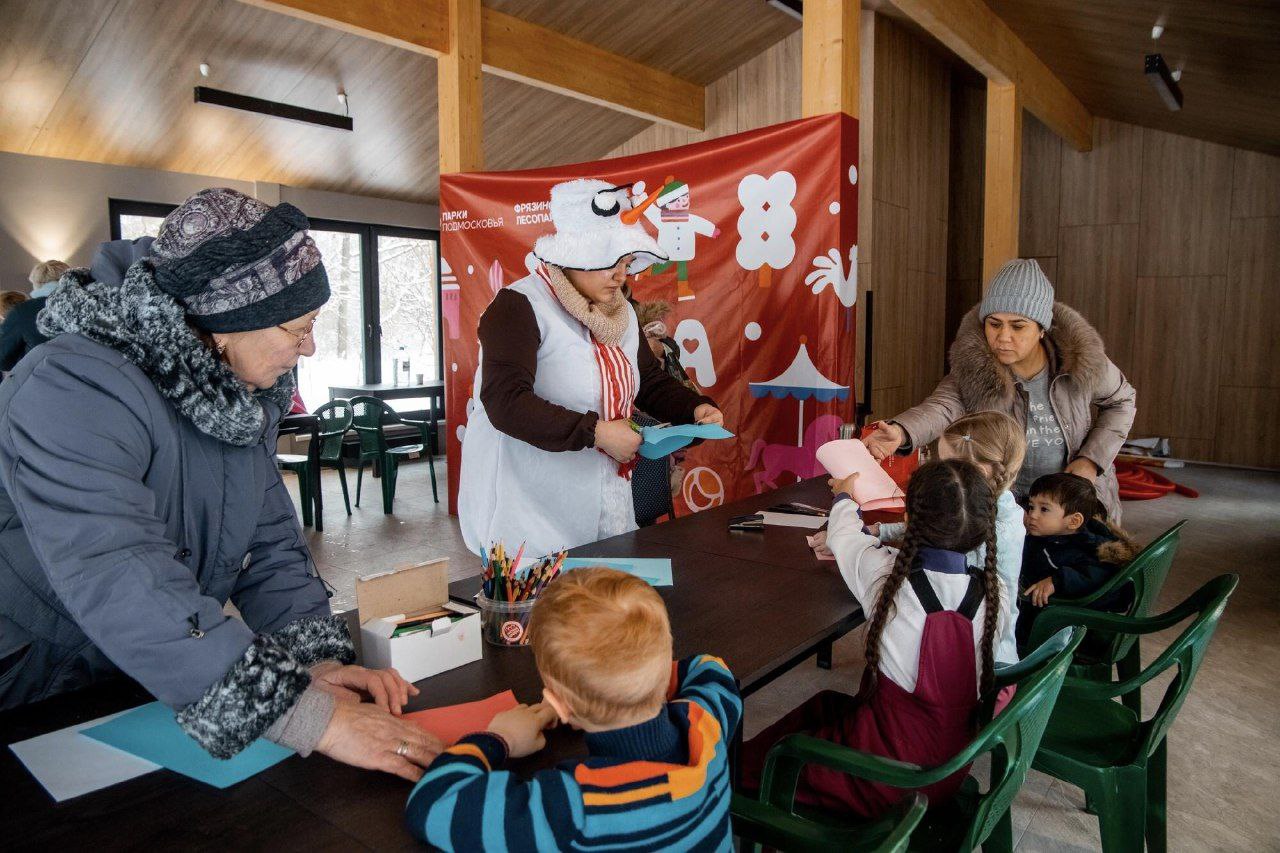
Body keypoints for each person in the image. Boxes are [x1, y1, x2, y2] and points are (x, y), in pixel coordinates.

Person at [0, 188, 441, 778]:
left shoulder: (232, 388)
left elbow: (268, 537)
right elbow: (117, 569)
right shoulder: (73, 385)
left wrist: (311, 660)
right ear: (226, 324)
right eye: (298, 328)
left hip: (161, 657)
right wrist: (312, 720)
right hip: (35, 672)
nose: (310, 347)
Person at [459, 179, 724, 560]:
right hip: (530, 508)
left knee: (603, 588)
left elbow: (647, 380)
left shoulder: (621, 312)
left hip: (605, 498)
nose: (621, 275)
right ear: (574, 254)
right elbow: (506, 402)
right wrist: (598, 432)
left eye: (626, 262)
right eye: (611, 262)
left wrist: (693, 408)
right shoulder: (519, 306)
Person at [739, 460, 1007, 819]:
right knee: (824, 705)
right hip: (948, 769)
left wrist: (844, 497)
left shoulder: (886, 579)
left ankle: (730, 784)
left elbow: (844, 536)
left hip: (888, 779)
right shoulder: (995, 592)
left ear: (909, 518)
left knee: (768, 760)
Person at [405, 567, 741, 850]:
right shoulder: (706, 725)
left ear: (559, 705)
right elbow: (711, 668)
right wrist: (634, 679)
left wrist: (499, 738)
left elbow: (433, 803)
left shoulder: (572, 809)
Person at [862, 259, 1136, 522]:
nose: (1003, 337)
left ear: (1042, 329)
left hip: (1074, 505)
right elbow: (941, 407)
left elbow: (1122, 400)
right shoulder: (975, 367)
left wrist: (1091, 460)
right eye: (994, 324)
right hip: (1007, 507)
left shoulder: (1080, 361)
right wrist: (902, 431)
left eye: (1018, 326)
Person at [872, 411, 1026, 665]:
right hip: (988, 648)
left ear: (976, 472)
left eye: (945, 464)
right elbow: (937, 524)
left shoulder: (991, 529)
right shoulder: (1002, 505)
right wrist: (881, 530)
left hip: (981, 661)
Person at [1018, 472, 1138, 652]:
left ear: (1074, 521)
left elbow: (1098, 575)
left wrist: (1057, 581)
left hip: (1073, 626)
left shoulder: (1087, 548)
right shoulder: (1049, 536)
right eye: (1031, 506)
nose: (1032, 515)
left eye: (1044, 509)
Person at [0, 260, 70, 372]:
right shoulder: (90, 304)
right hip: (91, 377)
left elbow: (3, 360)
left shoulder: (23, 312)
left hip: (43, 376)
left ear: (37, 283)